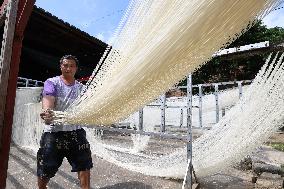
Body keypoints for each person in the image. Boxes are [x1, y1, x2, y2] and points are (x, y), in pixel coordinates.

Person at [38, 55, 93, 189]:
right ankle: (41, 188)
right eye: (65, 65)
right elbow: (48, 98)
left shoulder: (82, 88)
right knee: (46, 166)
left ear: (76, 68)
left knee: (84, 165)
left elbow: (87, 106)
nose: (68, 68)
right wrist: (47, 112)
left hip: (76, 131)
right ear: (61, 66)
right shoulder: (52, 82)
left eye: (71, 66)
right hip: (54, 133)